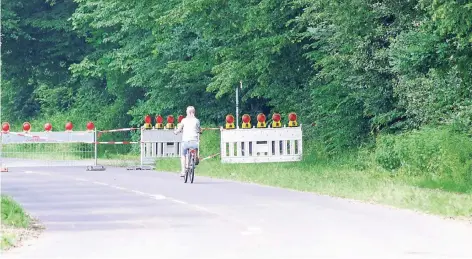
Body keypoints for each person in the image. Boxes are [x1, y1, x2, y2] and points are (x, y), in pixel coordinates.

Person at [174, 106, 201, 177]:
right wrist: (200, 131)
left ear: (188, 112)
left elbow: (179, 129)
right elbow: (199, 130)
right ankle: (196, 158)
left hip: (185, 141)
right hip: (194, 141)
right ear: (193, 112)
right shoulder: (197, 120)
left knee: (183, 155)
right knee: (196, 147)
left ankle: (183, 171)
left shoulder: (184, 120)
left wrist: (176, 132)